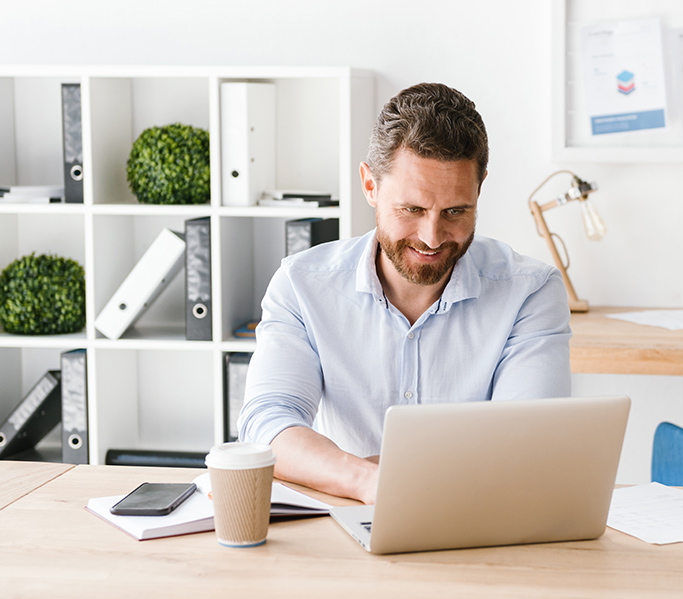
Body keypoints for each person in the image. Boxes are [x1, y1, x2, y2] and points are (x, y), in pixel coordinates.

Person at [238, 82, 571, 504]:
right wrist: (367, 482)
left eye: (455, 211)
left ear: (479, 188)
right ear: (370, 185)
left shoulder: (530, 292)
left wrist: (386, 474)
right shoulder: (302, 285)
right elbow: (268, 423)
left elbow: (530, 443)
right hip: (344, 520)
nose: (432, 237)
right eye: (411, 209)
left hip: (478, 521)